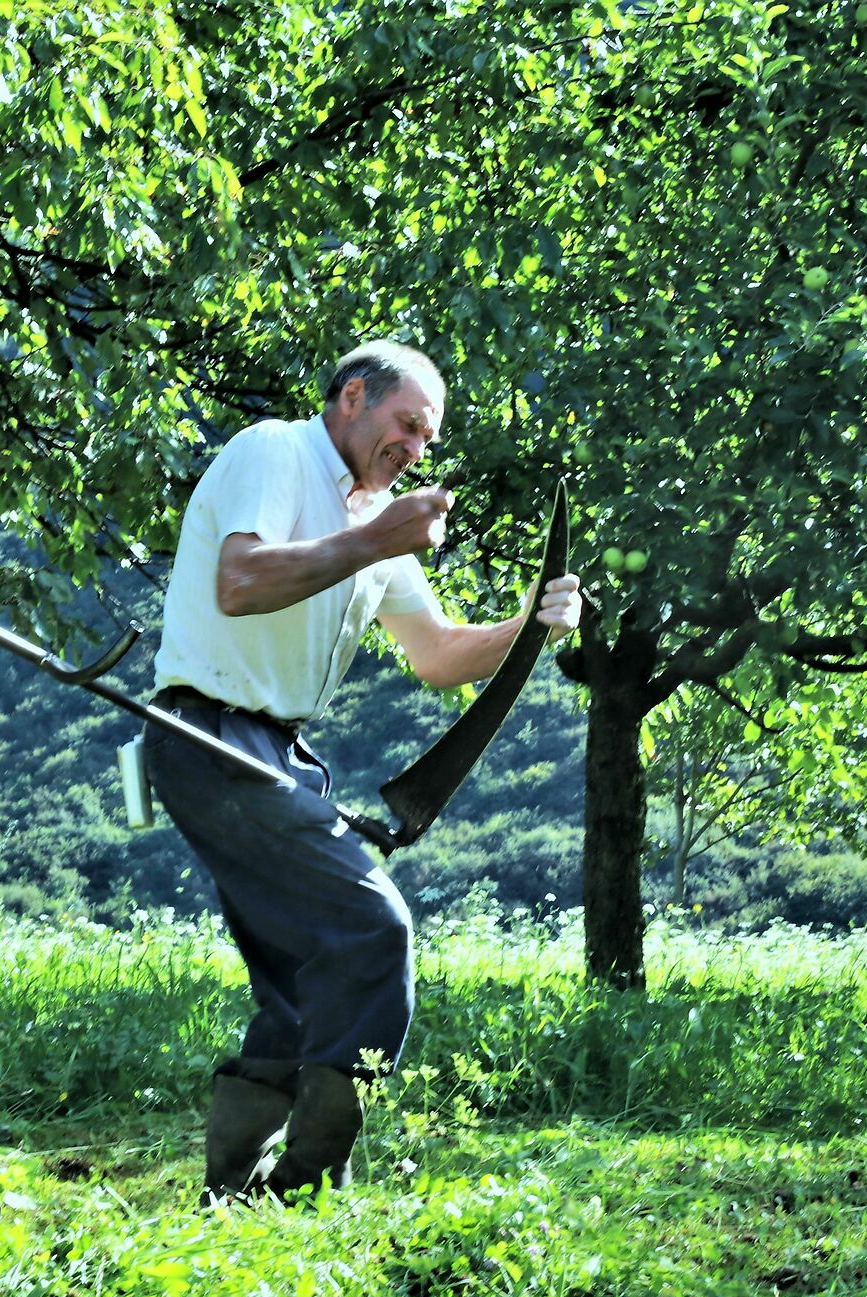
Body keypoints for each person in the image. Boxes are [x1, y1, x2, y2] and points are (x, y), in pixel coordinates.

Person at [144, 340, 583, 1204]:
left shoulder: (374, 520)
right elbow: (239, 581)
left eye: (428, 436)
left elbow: (437, 654)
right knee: (372, 929)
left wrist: (528, 624)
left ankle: (230, 1198)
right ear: (352, 397)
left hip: (277, 754)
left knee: (308, 981)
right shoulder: (275, 451)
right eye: (407, 424)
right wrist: (377, 535)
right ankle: (305, 1186)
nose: (417, 448)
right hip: (208, 737)